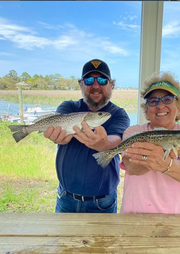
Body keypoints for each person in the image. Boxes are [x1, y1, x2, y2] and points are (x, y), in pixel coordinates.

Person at [44, 59, 130, 213]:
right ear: (81, 85)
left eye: (102, 80)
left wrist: (104, 144)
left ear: (111, 85)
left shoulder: (118, 114)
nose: (96, 85)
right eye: (89, 80)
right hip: (65, 199)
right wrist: (57, 136)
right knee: (62, 238)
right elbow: (58, 124)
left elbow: (116, 139)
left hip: (103, 202)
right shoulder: (68, 107)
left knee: (103, 239)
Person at [120, 72, 180, 215]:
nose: (160, 106)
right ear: (146, 110)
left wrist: (167, 164)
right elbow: (131, 166)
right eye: (153, 101)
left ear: (178, 107)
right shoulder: (134, 132)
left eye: (167, 99)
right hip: (135, 218)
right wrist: (159, 155)